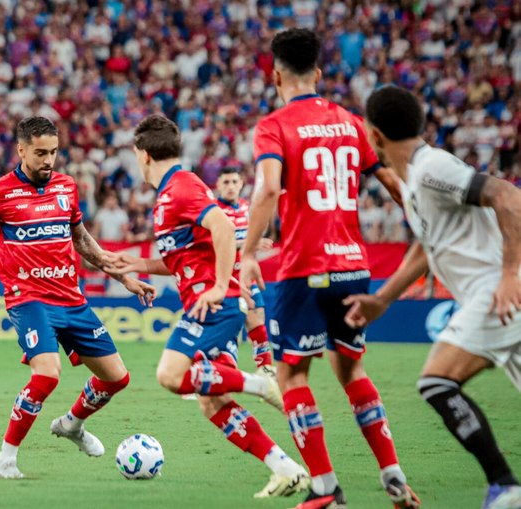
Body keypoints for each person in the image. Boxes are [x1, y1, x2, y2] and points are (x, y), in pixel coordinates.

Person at [0, 117, 155, 480]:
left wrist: (125, 278)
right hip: (29, 300)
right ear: (21, 150)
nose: (48, 160)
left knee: (117, 378)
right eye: (40, 152)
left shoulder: (66, 186)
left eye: (53, 152)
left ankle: (71, 425)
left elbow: (82, 241)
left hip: (71, 299)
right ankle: (6, 460)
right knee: (48, 375)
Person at [238, 29, 419, 509]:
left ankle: (325, 490)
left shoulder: (274, 126)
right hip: (354, 268)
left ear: (275, 75)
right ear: (318, 74)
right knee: (352, 369)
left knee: (293, 376)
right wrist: (424, 228)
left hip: (303, 270)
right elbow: (393, 182)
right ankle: (393, 475)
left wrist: (250, 253)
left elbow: (269, 189)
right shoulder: (352, 123)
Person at [104, 115, 308, 499]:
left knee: (170, 375)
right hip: (206, 302)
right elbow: (187, 256)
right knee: (212, 401)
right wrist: (141, 265)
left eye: (135, 154)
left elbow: (224, 228)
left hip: (214, 304)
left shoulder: (181, 186)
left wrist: (218, 287)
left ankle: (261, 383)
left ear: (143, 154)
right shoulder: (168, 194)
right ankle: (285, 468)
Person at [345, 86, 521, 509]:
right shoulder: (413, 182)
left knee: (436, 380)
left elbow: (507, 195)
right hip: (496, 297)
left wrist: (511, 273)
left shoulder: (430, 168)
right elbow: (425, 248)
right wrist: (382, 300)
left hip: (498, 293)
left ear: (374, 135)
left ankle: (505, 486)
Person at [214, 167, 276, 372]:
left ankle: (266, 372)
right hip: (224, 279)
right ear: (218, 186)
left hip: (246, 277)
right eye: (226, 182)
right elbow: (216, 245)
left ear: (241, 184)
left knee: (258, 323)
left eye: (234, 182)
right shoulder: (214, 212)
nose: (231, 186)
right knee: (224, 332)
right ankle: (201, 373)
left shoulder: (246, 208)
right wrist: (251, 243)